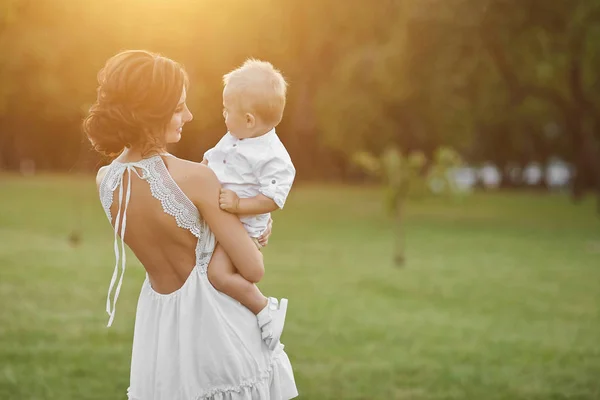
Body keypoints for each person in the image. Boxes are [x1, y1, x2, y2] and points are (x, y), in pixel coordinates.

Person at [83, 49, 298, 400]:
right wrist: (254, 233)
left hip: (160, 332)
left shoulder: (106, 180)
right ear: (153, 113)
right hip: (217, 328)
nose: (189, 115)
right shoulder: (197, 178)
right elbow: (252, 267)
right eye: (180, 106)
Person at [202, 59, 295, 350]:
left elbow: (273, 199)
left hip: (242, 228)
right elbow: (215, 161)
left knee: (218, 274)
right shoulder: (235, 135)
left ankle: (264, 306)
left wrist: (240, 204)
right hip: (223, 220)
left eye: (227, 110)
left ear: (250, 119)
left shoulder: (274, 156)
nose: (223, 115)